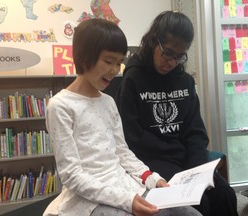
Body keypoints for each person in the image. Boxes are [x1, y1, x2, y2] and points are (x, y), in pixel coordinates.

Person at [43, 18, 202, 216]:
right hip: (88, 199)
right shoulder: (61, 106)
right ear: (84, 57)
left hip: (124, 184)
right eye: (109, 61)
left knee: (189, 213)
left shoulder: (108, 102)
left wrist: (152, 178)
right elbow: (72, 176)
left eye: (119, 63)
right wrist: (126, 200)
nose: (114, 70)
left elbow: (122, 152)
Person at [115, 11, 238, 216]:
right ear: (154, 42)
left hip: (185, 161)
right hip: (151, 162)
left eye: (180, 56)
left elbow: (195, 131)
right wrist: (172, 159)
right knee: (200, 205)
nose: (172, 62)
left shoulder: (185, 81)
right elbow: (130, 137)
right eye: (168, 53)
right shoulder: (133, 79)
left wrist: (197, 168)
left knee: (225, 195)